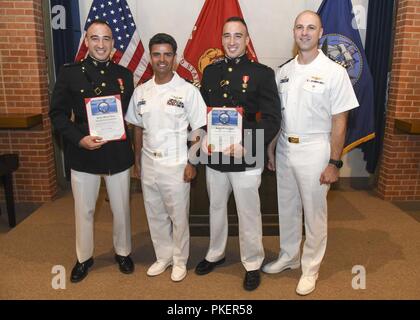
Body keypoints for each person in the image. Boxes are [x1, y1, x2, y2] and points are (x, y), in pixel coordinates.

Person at [262, 11, 359, 295]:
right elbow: (279, 116)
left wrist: (334, 161)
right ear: (294, 32)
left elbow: (340, 121)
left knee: (314, 214)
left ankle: (311, 267)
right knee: (287, 208)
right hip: (284, 149)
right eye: (300, 27)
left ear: (320, 32)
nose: (304, 32)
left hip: (316, 148)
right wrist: (271, 148)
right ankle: (289, 256)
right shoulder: (284, 72)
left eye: (311, 28)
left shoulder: (334, 72)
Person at [195, 17, 281, 291]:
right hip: (216, 155)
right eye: (227, 36)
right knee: (216, 207)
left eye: (238, 36)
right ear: (221, 40)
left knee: (249, 212)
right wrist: (202, 138)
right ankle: (215, 253)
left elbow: (272, 118)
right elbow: (202, 115)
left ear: (246, 40)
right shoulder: (209, 72)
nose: (232, 42)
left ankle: (253, 262)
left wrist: (248, 143)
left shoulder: (262, 73)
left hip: (247, 154)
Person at [49, 20, 135, 283]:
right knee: (84, 210)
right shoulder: (70, 73)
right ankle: (84, 258)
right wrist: (79, 139)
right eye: (95, 39)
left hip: (117, 154)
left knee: (121, 209)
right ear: (86, 41)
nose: (101, 44)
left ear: (113, 43)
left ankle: (123, 252)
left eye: (106, 39)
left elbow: (129, 115)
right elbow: (58, 114)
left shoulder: (125, 75)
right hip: (84, 152)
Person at [125, 33, 207, 282]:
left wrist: (193, 163)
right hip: (149, 163)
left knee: (178, 216)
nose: (162, 59)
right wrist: (137, 162)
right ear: (150, 57)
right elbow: (137, 127)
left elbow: (200, 129)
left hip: (177, 163)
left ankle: (180, 260)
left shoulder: (187, 91)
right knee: (154, 213)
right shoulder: (141, 91)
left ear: (175, 57)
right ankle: (163, 256)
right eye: (157, 54)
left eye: (167, 54)